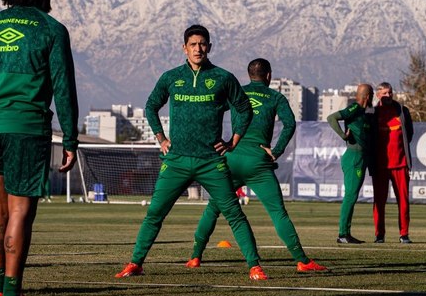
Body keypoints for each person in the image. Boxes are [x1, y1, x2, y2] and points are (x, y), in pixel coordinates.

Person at [115, 24, 268, 280]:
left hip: (211, 161)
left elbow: (245, 109)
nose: (198, 48)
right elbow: (151, 106)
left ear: (209, 46)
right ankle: (135, 263)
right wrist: (161, 137)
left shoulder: (223, 77)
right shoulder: (171, 77)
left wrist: (234, 140)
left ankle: (255, 266)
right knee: (154, 213)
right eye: (193, 44)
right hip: (176, 160)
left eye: (203, 44)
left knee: (234, 213)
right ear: (184, 47)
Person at [0, 0, 79, 296]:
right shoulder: (51, 29)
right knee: (20, 212)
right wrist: (72, 138)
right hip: (26, 128)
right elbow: (64, 89)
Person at [185, 58, 328, 272]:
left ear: (248, 75)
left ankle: (196, 257)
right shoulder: (276, 96)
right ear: (268, 75)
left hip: (231, 159)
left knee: (214, 207)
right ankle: (302, 261)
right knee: (278, 213)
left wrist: (215, 142)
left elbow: (210, 111)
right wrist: (276, 151)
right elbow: (289, 124)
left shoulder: (236, 93)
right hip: (258, 162)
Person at [327, 84, 374, 244]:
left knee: (352, 195)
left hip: (359, 156)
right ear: (367, 96)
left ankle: (345, 233)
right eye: (372, 95)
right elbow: (331, 117)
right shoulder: (355, 108)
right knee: (350, 196)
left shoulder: (364, 112)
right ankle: (342, 234)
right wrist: (343, 135)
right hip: (354, 157)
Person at [372, 82, 414, 244]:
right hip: (380, 166)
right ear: (378, 95)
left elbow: (408, 135)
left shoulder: (402, 111)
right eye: (384, 93)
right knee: (379, 203)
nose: (388, 96)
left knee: (403, 201)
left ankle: (404, 234)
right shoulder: (373, 113)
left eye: (390, 93)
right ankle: (379, 235)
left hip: (401, 164)